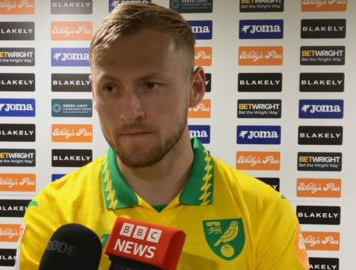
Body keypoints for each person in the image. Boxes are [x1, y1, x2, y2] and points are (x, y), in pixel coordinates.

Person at [18, 3, 309, 269]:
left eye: (151, 85)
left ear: (195, 88)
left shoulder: (265, 213)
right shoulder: (52, 212)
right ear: (93, 92)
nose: (131, 113)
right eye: (110, 88)